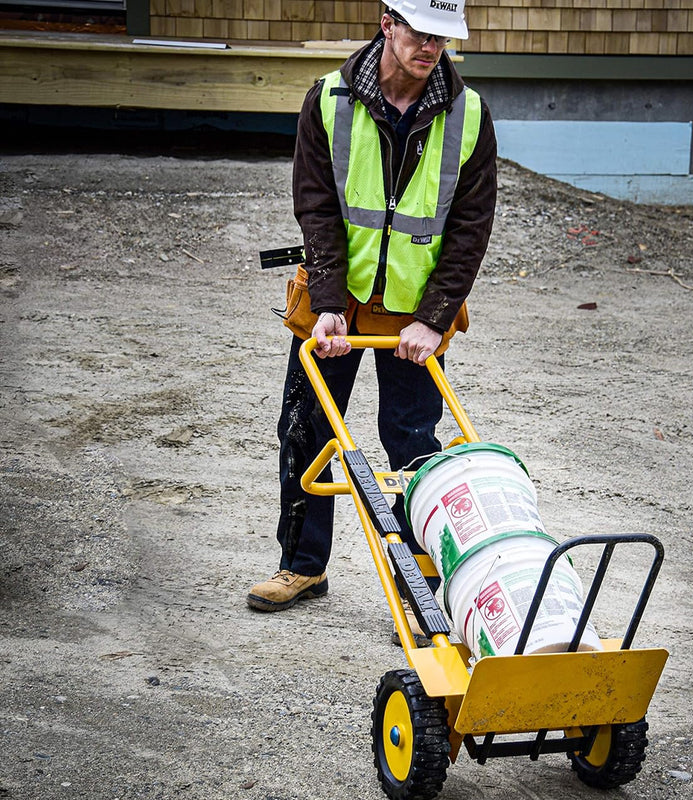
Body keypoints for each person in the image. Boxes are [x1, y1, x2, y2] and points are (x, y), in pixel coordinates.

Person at [247, 1, 497, 642]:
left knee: (413, 447)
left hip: (412, 313)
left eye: (444, 38)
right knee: (304, 431)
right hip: (337, 299)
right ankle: (302, 567)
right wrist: (328, 301)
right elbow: (317, 205)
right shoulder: (328, 100)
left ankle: (421, 588)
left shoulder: (468, 116)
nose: (431, 48)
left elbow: (470, 228)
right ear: (388, 22)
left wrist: (435, 316)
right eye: (420, 32)